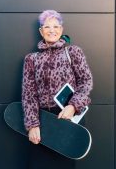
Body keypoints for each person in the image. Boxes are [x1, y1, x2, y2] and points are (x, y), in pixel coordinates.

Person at [22, 10, 93, 146]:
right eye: (47, 26)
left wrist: (73, 106)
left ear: (61, 30)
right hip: (43, 121)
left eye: (55, 26)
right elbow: (28, 94)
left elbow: (86, 82)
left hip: (69, 117)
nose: (52, 30)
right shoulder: (31, 59)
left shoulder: (73, 52)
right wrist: (32, 125)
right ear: (41, 31)